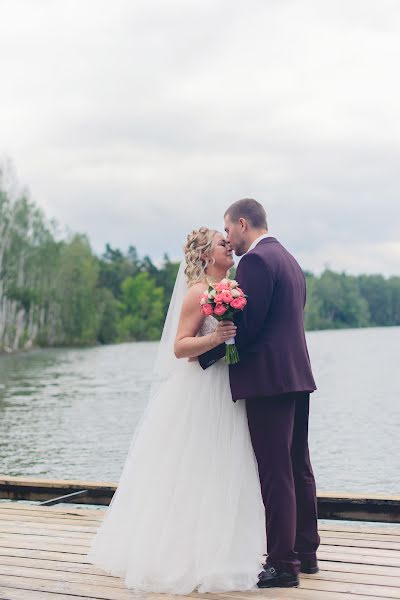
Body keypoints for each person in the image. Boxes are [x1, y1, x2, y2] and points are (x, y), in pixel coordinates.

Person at [87, 226, 266, 594]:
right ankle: (184, 555)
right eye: (222, 243)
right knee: (197, 467)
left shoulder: (228, 289)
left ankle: (226, 554)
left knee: (226, 467)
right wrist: (216, 337)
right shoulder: (199, 293)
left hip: (227, 387)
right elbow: (181, 348)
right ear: (205, 256)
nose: (229, 247)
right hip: (201, 390)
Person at [199, 198, 320, 589]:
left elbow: (249, 329)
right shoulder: (288, 259)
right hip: (297, 377)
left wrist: (206, 357)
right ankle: (306, 552)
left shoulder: (255, 262)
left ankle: (283, 564)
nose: (230, 240)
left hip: (268, 381)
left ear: (243, 222)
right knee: (297, 465)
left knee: (275, 471)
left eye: (229, 230)